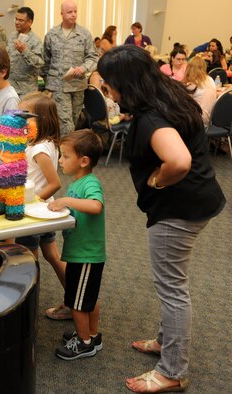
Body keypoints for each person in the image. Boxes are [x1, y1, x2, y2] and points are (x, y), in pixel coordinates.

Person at [98, 45, 225, 393]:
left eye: (109, 84)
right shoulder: (167, 95)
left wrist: (156, 180)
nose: (107, 90)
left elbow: (179, 161)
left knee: (172, 289)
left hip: (178, 210)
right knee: (174, 282)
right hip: (197, 200)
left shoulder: (152, 117)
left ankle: (172, 371)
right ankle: (165, 342)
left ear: (127, 83)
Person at [47, 129, 106, 360]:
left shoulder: (89, 183)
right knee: (87, 298)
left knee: (77, 302)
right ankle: (92, 334)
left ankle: (84, 343)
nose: (60, 161)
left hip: (86, 255)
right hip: (80, 253)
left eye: (65, 156)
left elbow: (95, 206)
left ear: (84, 161)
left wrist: (67, 200)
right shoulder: (79, 182)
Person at [13, 92, 69, 320]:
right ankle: (74, 301)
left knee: (30, 260)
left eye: (25, 116)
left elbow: (54, 182)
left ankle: (27, 310)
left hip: (35, 215)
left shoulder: (38, 149)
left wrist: (33, 202)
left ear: (41, 120)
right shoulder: (44, 143)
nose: (20, 120)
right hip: (43, 211)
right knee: (52, 256)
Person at [42, 0, 98, 135]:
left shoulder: (84, 34)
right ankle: (66, 153)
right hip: (59, 85)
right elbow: (46, 61)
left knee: (74, 119)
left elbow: (93, 57)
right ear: (61, 14)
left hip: (78, 85)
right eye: (69, 12)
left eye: (75, 11)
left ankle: (65, 150)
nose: (73, 15)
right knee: (66, 123)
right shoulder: (52, 34)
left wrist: (84, 68)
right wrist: (49, 83)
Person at [6, 6, 44, 97]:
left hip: (26, 90)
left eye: (21, 20)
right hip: (10, 87)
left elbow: (39, 63)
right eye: (16, 19)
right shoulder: (12, 36)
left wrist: (24, 51)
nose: (17, 22)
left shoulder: (36, 40)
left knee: (23, 112)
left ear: (30, 22)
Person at [182, 56, 216, 129]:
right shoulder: (210, 79)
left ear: (189, 68)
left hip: (198, 122)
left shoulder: (192, 84)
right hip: (210, 120)